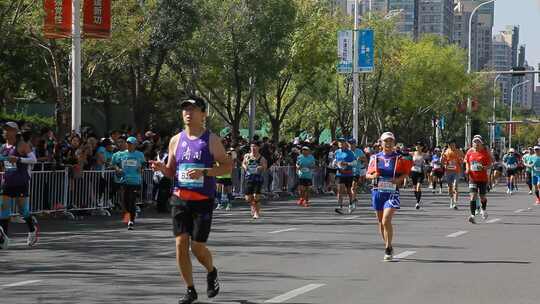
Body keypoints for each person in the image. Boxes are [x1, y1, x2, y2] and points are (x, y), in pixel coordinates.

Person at [151, 97, 232, 304]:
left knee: (197, 247)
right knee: (180, 244)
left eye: (193, 109)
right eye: (185, 109)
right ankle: (190, 289)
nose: (188, 113)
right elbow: (171, 171)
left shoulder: (211, 139)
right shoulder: (175, 140)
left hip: (202, 200)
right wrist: (162, 169)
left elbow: (227, 167)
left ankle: (211, 271)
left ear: (203, 114)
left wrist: (204, 171)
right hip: (180, 198)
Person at [366, 132, 408, 261]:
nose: (388, 143)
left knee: (386, 220)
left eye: (390, 141)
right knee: (380, 222)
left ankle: (388, 247)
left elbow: (405, 174)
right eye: (386, 141)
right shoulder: (375, 157)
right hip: (378, 192)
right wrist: (373, 176)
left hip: (391, 192)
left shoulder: (399, 158)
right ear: (381, 143)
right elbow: (368, 174)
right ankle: (387, 244)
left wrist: (398, 180)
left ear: (394, 143)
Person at [0, 122, 39, 249]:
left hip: (21, 182)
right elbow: (4, 164)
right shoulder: (2, 147)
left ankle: (32, 230)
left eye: (8, 129)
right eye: (4, 129)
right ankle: (4, 238)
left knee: (23, 210)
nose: (4, 131)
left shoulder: (21, 145)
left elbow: (33, 160)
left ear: (14, 132)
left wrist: (18, 159)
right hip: (7, 182)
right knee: (3, 210)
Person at [112, 136, 146, 230]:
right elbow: (113, 163)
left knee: (132, 200)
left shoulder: (139, 154)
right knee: (125, 201)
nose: (129, 145)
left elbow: (144, 164)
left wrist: (141, 168)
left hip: (135, 181)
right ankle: (127, 219)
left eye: (131, 144)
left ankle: (131, 220)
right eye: (128, 143)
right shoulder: (120, 154)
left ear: (135, 145)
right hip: (124, 180)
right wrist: (117, 169)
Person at [464, 135, 492, 224]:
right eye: (474, 142)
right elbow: (467, 162)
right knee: (473, 196)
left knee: (482, 197)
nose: (476, 144)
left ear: (481, 143)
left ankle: (483, 209)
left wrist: (484, 167)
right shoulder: (469, 152)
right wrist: (467, 169)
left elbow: (490, 165)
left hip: (482, 178)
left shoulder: (485, 153)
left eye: (478, 142)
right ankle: (472, 216)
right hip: (473, 178)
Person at [242, 141, 267, 219]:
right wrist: (245, 167)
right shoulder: (247, 156)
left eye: (255, 146)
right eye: (252, 146)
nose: (253, 148)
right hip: (248, 178)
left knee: (256, 196)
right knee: (248, 198)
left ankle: (256, 213)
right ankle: (253, 205)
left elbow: (265, 167)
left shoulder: (261, 158)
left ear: (258, 148)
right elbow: (243, 163)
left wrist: (260, 167)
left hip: (257, 178)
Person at [333, 138, 356, 214]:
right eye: (339, 142)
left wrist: (346, 164)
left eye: (342, 142)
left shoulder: (350, 153)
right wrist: (335, 164)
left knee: (348, 190)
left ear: (345, 143)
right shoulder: (336, 152)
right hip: (340, 174)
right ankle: (340, 206)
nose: (340, 144)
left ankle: (351, 203)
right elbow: (335, 162)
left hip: (349, 174)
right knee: (340, 190)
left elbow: (354, 163)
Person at [442, 140, 464, 210]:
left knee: (455, 186)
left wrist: (461, 161)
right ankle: (451, 200)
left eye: (453, 145)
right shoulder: (446, 152)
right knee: (450, 188)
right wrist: (444, 163)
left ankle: (455, 203)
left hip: (456, 171)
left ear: (455, 145)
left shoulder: (459, 151)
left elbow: (464, 159)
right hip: (448, 172)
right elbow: (442, 162)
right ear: (449, 145)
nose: (452, 146)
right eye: (451, 145)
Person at [349, 139, 367, 206]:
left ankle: (352, 200)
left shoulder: (359, 151)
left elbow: (365, 159)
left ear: (355, 144)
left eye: (352, 143)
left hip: (356, 171)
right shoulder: (347, 152)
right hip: (347, 172)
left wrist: (361, 158)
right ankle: (354, 197)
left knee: (353, 187)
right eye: (350, 143)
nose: (351, 145)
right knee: (349, 187)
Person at [410, 141, 426, 210]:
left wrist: (425, 164)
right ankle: (417, 199)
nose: (417, 147)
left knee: (418, 187)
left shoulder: (424, 154)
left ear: (422, 147)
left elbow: (428, 162)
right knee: (414, 188)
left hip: (420, 172)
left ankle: (417, 203)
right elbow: (403, 154)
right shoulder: (412, 153)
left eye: (419, 146)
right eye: (416, 145)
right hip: (413, 172)